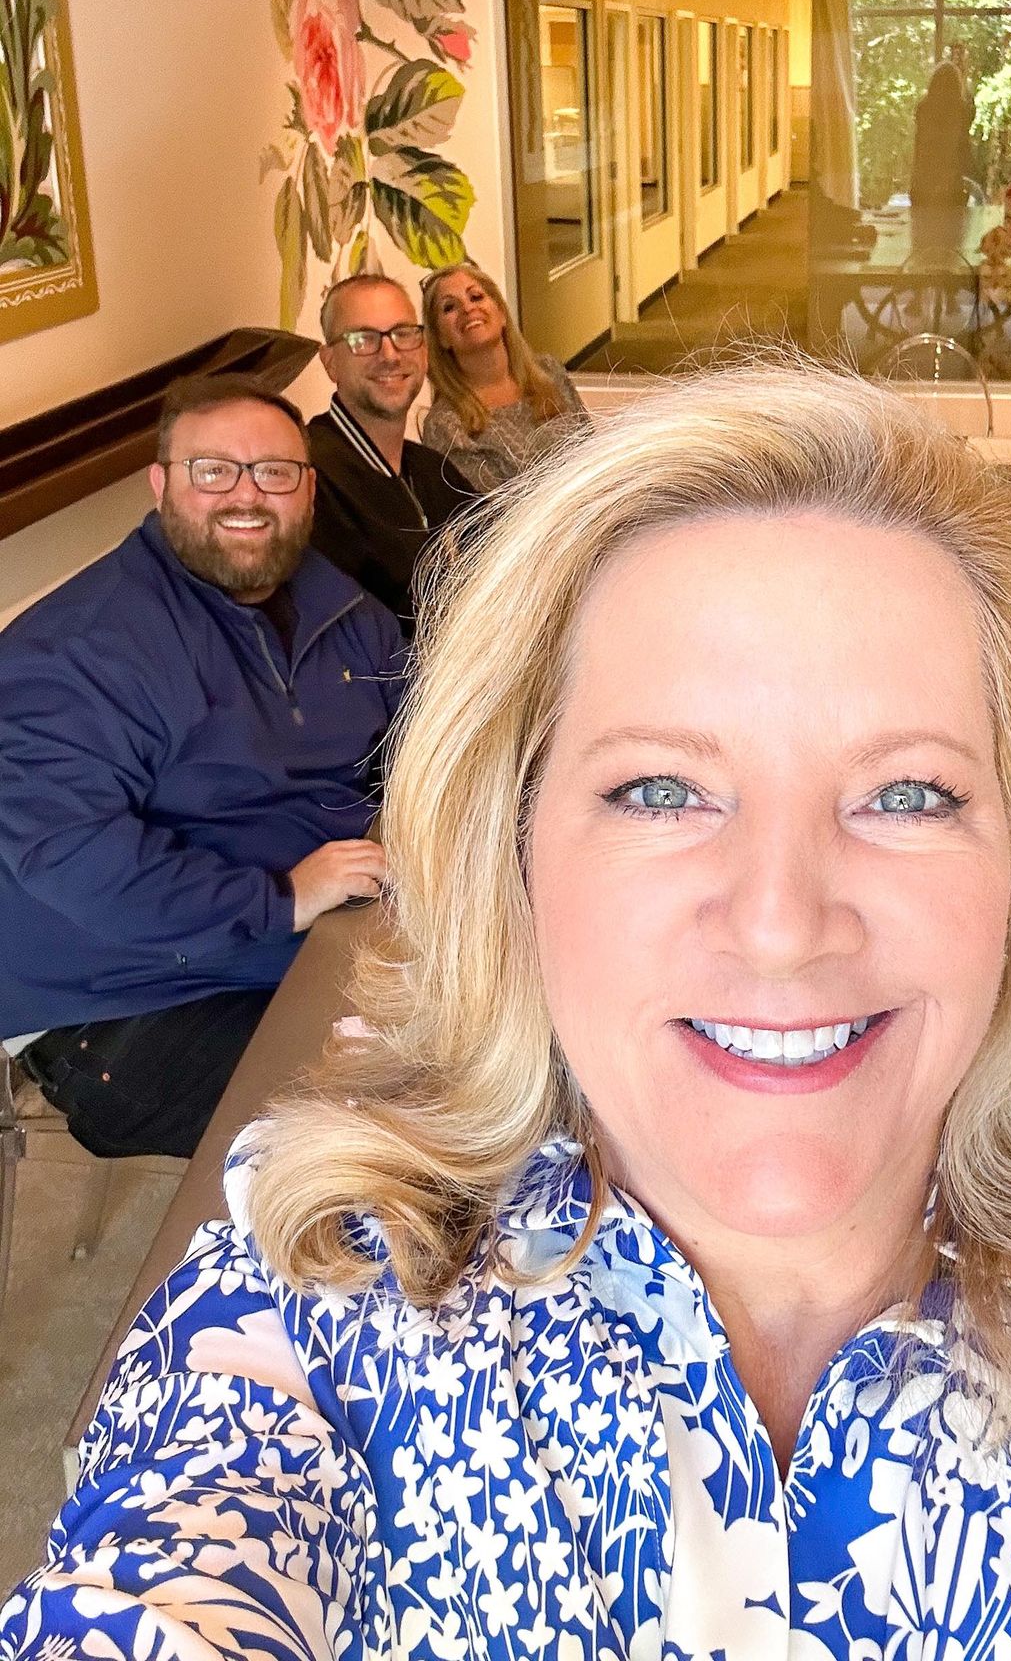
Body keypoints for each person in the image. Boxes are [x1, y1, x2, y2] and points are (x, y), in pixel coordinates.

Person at [1, 365, 1011, 1660]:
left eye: (908, 793)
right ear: (510, 852)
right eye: (661, 787)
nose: (784, 921)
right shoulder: (322, 1294)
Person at [0, 377, 401, 1160]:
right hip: (123, 1001)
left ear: (308, 490)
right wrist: (282, 897)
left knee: (521, 1032)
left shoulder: (343, 610)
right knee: (396, 1129)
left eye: (274, 472)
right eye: (212, 470)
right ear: (161, 484)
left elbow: (418, 738)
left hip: (309, 935)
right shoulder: (80, 647)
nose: (245, 496)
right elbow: (71, 859)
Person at [308, 272, 476, 629]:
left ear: (425, 351)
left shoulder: (432, 471)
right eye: (363, 339)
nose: (389, 354)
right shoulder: (313, 477)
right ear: (329, 362)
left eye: (404, 334)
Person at [420, 261, 588, 492]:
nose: (468, 309)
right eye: (449, 307)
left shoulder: (550, 372)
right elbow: (497, 515)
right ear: (441, 338)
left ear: (501, 314)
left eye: (476, 297)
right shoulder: (445, 425)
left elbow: (593, 453)